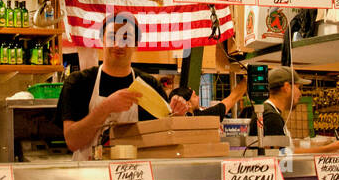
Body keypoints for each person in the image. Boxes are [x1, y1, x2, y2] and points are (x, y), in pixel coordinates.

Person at [57, 11, 188, 159]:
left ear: (136, 45)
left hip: (134, 177)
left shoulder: (150, 85)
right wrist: (106, 107)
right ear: (102, 41)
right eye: (113, 37)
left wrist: (178, 114)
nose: (119, 44)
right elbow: (73, 142)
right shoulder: (78, 82)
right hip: (89, 177)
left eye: (127, 38)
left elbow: (167, 137)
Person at [259, 66, 339, 154]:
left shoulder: (269, 112)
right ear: (287, 87)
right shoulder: (271, 116)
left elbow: (286, 148)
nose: (300, 93)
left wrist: (321, 144)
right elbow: (282, 154)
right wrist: (327, 149)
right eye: (298, 87)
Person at [169, 77, 248, 119]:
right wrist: (246, 79)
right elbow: (232, 98)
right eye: (195, 96)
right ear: (188, 104)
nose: (198, 97)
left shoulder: (171, 120)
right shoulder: (200, 117)